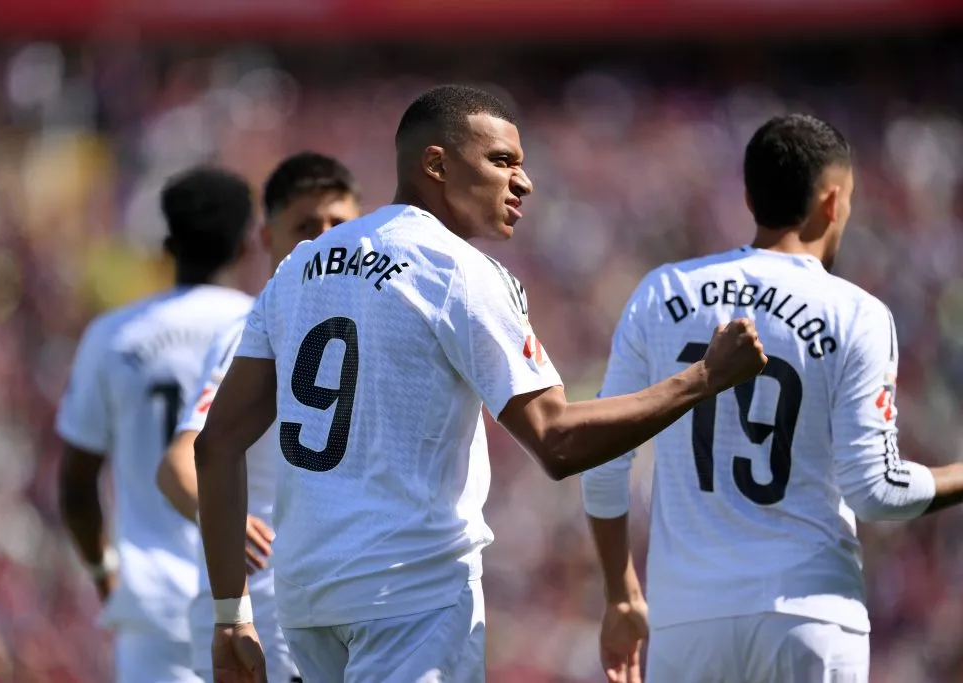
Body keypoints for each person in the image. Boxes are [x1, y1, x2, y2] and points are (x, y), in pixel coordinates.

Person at [193, 84, 767, 683]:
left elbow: (217, 444)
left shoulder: (297, 268)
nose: (523, 183)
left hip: (305, 602)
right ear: (436, 164)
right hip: (409, 598)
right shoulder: (455, 270)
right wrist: (703, 379)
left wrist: (230, 615)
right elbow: (557, 440)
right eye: (502, 161)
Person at [581, 114, 963, 683]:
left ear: (748, 196)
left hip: (689, 624)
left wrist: (621, 594)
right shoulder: (855, 313)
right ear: (832, 202)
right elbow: (877, 491)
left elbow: (603, 462)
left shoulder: (662, 293)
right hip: (809, 615)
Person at [156, 152, 361, 683]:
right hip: (274, 627)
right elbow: (180, 464)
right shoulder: (256, 332)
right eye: (303, 227)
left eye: (337, 224)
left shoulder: (382, 326)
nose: (323, 240)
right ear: (265, 238)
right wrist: (225, 519)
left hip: (353, 619)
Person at [57, 166, 257, 683]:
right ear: (245, 246)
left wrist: (104, 571)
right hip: (253, 596)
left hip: (153, 605)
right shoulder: (263, 329)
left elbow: (77, 485)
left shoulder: (112, 337)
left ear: (167, 244)